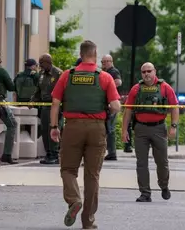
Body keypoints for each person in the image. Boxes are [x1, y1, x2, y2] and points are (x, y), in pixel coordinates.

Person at [50, 40, 121, 229]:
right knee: (92, 175)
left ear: (81, 55)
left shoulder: (67, 75)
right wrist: (107, 112)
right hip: (96, 128)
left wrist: (54, 127)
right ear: (95, 55)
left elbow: (55, 103)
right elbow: (116, 106)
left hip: (72, 127)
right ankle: (88, 222)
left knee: (68, 170)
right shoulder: (105, 77)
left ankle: (74, 200)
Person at [122, 62, 179, 203]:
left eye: (149, 71)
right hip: (140, 129)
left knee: (162, 162)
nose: (146, 74)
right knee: (141, 163)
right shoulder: (136, 89)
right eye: (143, 72)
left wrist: (173, 126)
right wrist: (124, 130)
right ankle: (145, 192)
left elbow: (175, 107)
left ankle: (164, 186)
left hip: (159, 128)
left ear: (155, 71)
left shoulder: (165, 87)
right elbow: (128, 110)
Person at [34, 53, 63, 165]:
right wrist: (33, 100)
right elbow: (38, 90)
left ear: (48, 62)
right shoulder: (41, 74)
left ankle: (55, 154)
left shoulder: (58, 73)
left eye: (42, 63)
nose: (40, 66)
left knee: (53, 128)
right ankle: (49, 153)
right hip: (44, 107)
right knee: (45, 130)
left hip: (55, 107)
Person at [101, 54, 122, 161]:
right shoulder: (106, 72)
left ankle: (112, 152)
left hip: (112, 103)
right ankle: (110, 152)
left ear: (110, 61)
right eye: (102, 62)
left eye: (105, 62)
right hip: (109, 102)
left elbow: (118, 82)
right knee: (108, 128)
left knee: (110, 129)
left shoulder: (113, 71)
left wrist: (108, 86)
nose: (103, 64)